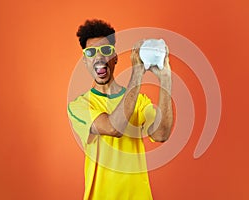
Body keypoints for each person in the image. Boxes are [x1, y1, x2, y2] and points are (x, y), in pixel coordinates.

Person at [67, 19, 173, 200]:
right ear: (85, 61)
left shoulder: (139, 101)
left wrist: (166, 80)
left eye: (106, 50)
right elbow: (112, 128)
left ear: (115, 57)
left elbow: (161, 134)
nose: (99, 57)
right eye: (91, 52)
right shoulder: (80, 106)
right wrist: (137, 72)